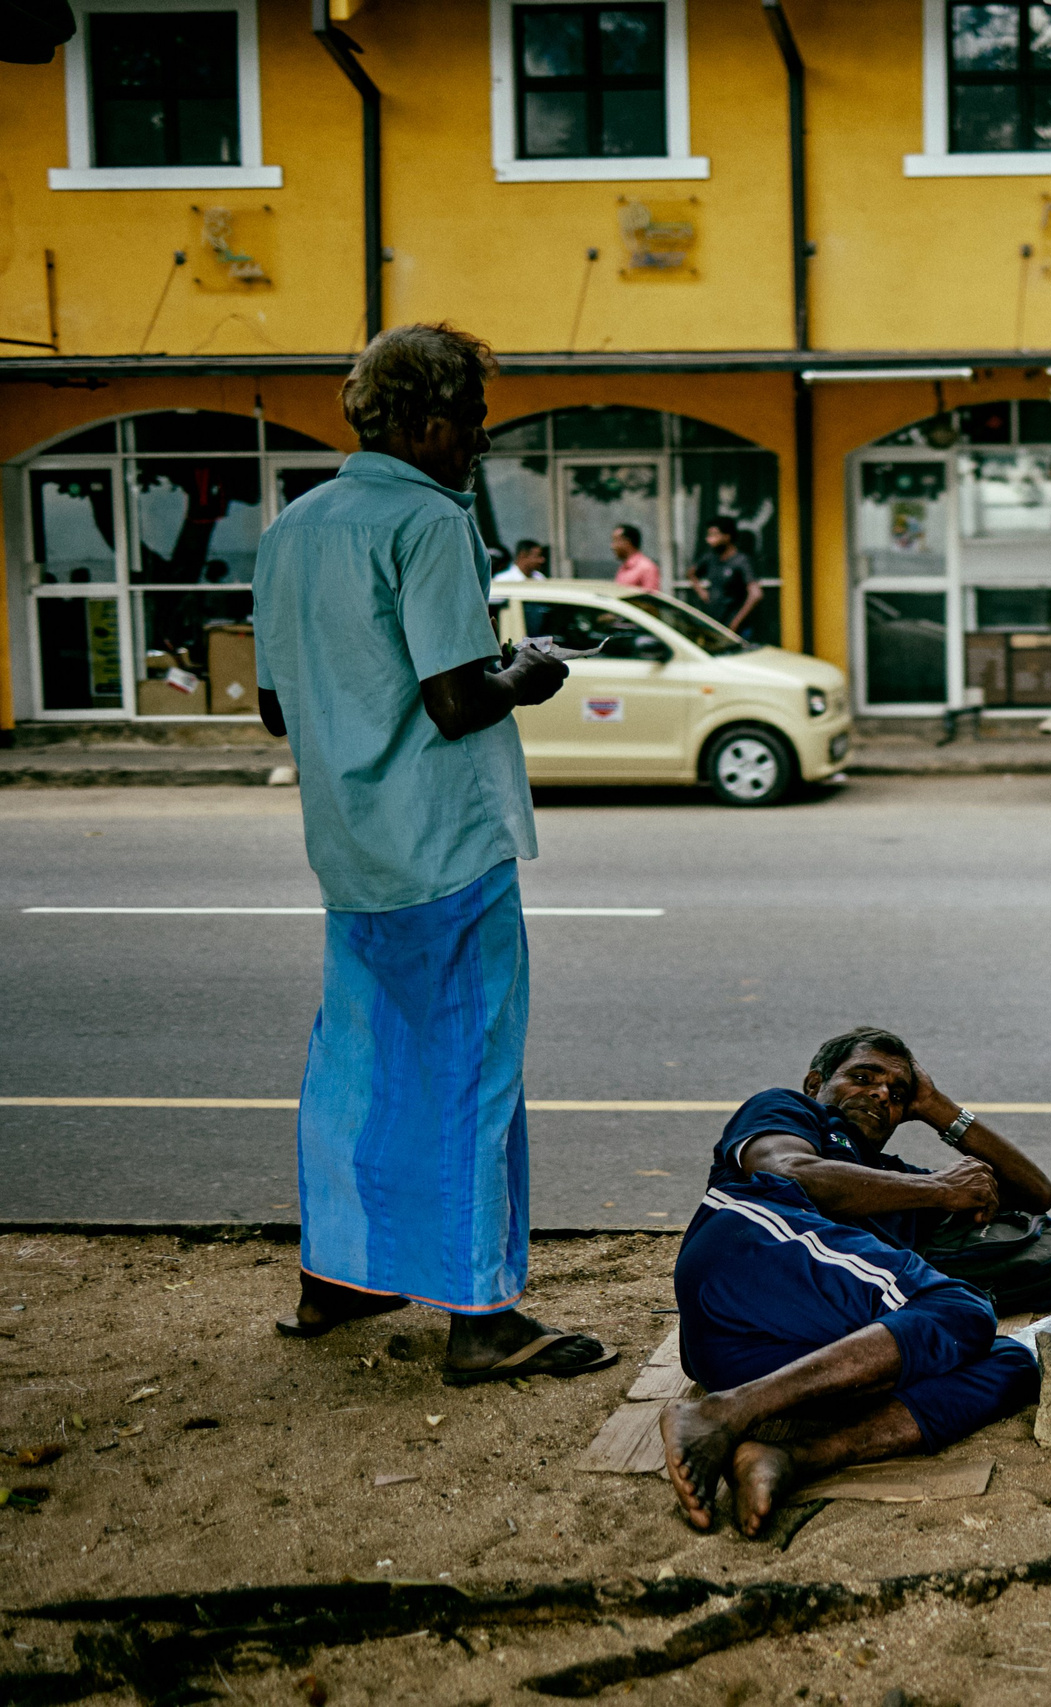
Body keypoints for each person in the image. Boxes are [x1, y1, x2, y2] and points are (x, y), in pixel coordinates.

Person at [252, 322, 615, 1387]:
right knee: (470, 1078)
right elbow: (458, 699)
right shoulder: (427, 519)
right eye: (475, 425)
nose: (478, 447)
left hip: (350, 850)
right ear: (430, 423)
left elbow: (278, 709)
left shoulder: (295, 528)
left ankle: (342, 1279)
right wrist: (528, 672)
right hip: (445, 845)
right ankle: (482, 1320)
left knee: (358, 1076)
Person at [659, 1028, 1051, 1534]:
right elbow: (787, 1169)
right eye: (862, 1077)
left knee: (1013, 1364)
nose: (880, 1095)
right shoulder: (789, 1111)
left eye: (897, 1093)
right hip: (744, 1260)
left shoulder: (894, 1179)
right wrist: (938, 1189)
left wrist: (936, 1107)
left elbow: (1037, 1193)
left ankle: (790, 1458)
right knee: (962, 1310)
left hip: (771, 1357)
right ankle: (724, 1414)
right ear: (815, 1083)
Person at [690, 516, 761, 633]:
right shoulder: (710, 558)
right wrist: (701, 592)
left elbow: (756, 594)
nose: (709, 540)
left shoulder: (741, 561)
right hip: (714, 624)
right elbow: (691, 573)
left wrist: (735, 623)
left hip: (737, 629)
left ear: (727, 537)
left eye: (714, 535)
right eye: (708, 535)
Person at [610, 523, 661, 592]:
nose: (612, 546)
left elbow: (651, 599)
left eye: (616, 541)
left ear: (627, 542)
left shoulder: (646, 568)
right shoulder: (624, 568)